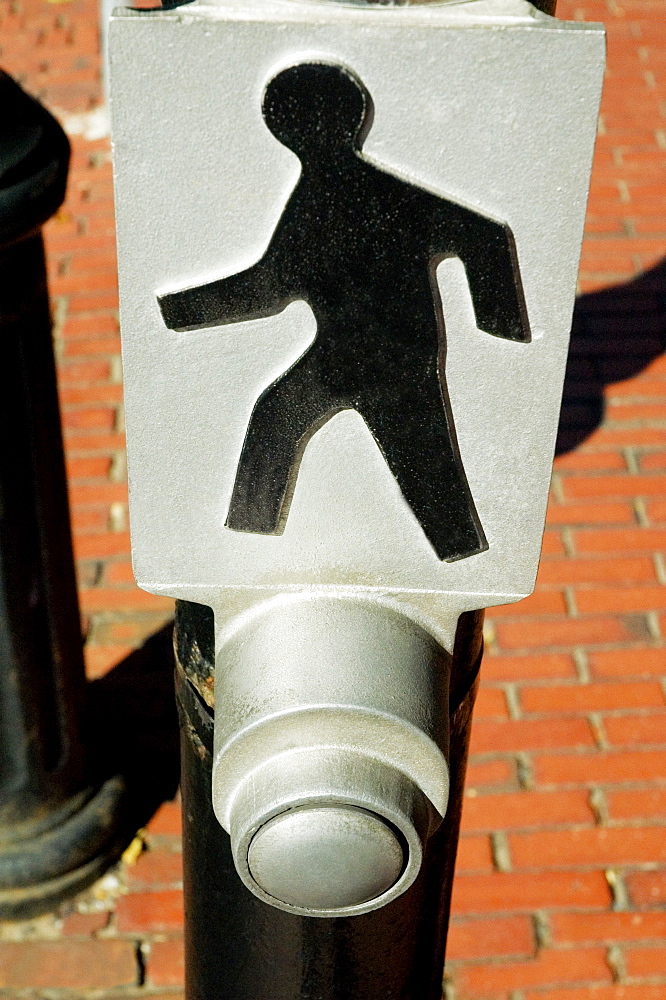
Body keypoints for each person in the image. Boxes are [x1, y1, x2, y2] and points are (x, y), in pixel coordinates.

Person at [159, 62, 530, 561]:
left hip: (373, 359)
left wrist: (501, 325)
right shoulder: (352, 196)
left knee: (299, 422)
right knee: (305, 423)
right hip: (376, 355)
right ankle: (253, 540)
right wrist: (497, 321)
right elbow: (479, 236)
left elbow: (268, 289)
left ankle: (250, 540)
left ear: (286, 131)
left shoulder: (333, 198)